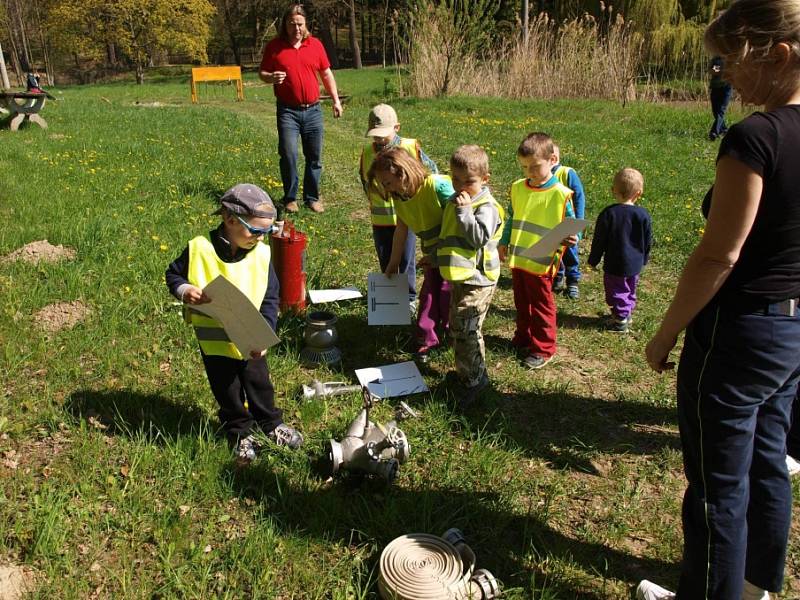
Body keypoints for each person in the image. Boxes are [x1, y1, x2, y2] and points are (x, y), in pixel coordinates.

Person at [640, 2, 800, 598]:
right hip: (790, 331)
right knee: (768, 462)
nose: (724, 74)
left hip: (738, 335)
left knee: (716, 484)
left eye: (732, 60)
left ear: (777, 55)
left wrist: (664, 334)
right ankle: (757, 586)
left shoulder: (756, 136)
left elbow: (718, 256)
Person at [165, 184, 303, 464]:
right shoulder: (199, 248)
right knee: (226, 389)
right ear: (229, 220)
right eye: (255, 231)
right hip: (214, 340)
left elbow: (270, 296)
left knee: (259, 383)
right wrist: (184, 290)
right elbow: (173, 275)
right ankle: (240, 431)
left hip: (250, 338)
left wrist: (264, 333)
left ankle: (271, 423)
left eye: (267, 232)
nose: (261, 238)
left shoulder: (262, 254)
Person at [368, 147, 455, 362]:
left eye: (387, 182)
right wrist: (393, 263)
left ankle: (454, 336)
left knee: (448, 295)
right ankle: (427, 340)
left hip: (454, 254)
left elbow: (459, 220)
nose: (386, 189)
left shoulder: (437, 187)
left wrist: (440, 253)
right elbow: (401, 228)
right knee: (429, 296)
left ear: (403, 173)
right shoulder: (400, 197)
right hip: (433, 256)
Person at [498, 132, 577, 370]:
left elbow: (571, 225)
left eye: (535, 166)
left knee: (541, 304)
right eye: (524, 167)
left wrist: (573, 238)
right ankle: (523, 337)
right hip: (520, 258)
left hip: (542, 260)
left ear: (553, 160)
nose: (529, 172)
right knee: (521, 301)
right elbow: (513, 219)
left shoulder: (561, 194)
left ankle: (543, 347)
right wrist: (503, 241)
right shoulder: (518, 188)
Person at [259, 4, 343, 215]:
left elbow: (326, 74)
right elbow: (262, 72)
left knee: (314, 157)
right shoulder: (275, 47)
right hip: (288, 112)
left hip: (313, 110)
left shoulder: (315, 45)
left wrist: (336, 100)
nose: (296, 28)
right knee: (288, 154)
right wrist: (271, 77)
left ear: (306, 24)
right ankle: (290, 198)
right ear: (285, 25)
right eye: (292, 24)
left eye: (300, 24)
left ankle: (312, 197)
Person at [437, 145, 503, 407]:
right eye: (455, 179)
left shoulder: (485, 206)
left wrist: (464, 212)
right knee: (459, 326)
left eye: (469, 181)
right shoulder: (457, 200)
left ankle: (475, 380)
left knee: (468, 329)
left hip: (480, 280)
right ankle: (465, 371)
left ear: (485, 179)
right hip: (462, 278)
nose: (461, 186)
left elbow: (478, 237)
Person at [359, 104, 439, 306]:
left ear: (397, 128)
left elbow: (431, 173)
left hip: (406, 217)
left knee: (405, 261)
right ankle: (391, 301)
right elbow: (364, 180)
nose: (378, 139)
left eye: (383, 135)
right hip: (380, 220)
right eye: (375, 135)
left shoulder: (410, 147)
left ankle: (409, 300)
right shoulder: (367, 151)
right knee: (386, 258)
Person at [587, 168, 651, 333]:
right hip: (635, 263)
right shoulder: (643, 215)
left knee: (616, 290)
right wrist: (644, 258)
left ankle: (621, 320)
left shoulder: (609, 214)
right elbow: (647, 239)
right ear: (639, 193)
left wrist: (593, 260)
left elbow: (599, 240)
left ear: (613, 190)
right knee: (630, 288)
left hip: (615, 264)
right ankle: (626, 313)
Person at [551, 144, 587, 299]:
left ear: (553, 159)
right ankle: (557, 277)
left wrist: (578, 222)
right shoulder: (538, 176)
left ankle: (573, 281)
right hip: (551, 222)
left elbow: (579, 197)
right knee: (553, 252)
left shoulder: (567, 173)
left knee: (570, 252)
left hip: (568, 223)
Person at [708, 55, 733, 141]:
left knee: (721, 111)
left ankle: (714, 132)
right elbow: (713, 70)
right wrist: (721, 71)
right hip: (715, 87)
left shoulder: (731, 57)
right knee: (715, 111)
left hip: (726, 88)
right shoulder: (716, 59)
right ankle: (725, 130)